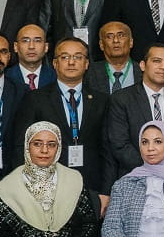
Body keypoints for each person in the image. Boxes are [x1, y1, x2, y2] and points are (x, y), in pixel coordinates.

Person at [10, 37, 109, 193]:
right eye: (65, 57)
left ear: (86, 64)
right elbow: (21, 146)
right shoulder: (35, 98)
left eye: (78, 57)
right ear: (55, 63)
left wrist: (105, 191)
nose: (71, 62)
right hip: (47, 184)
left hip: (92, 184)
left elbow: (107, 150)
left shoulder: (101, 100)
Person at [103, 42, 164, 186]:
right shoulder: (122, 99)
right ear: (142, 65)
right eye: (156, 61)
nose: (163, 67)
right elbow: (120, 143)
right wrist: (151, 171)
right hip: (136, 181)